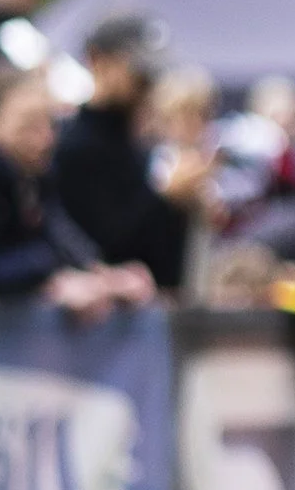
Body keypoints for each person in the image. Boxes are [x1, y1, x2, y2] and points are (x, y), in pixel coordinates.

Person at [0, 60, 151, 314]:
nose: (46, 139)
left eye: (50, 124)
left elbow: (60, 237)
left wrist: (103, 275)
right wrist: (51, 275)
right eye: (29, 125)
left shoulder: (33, 173)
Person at [50, 18, 191, 288]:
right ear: (97, 59)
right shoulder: (71, 148)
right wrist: (165, 199)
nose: (147, 84)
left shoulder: (138, 146)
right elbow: (100, 249)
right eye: (138, 72)